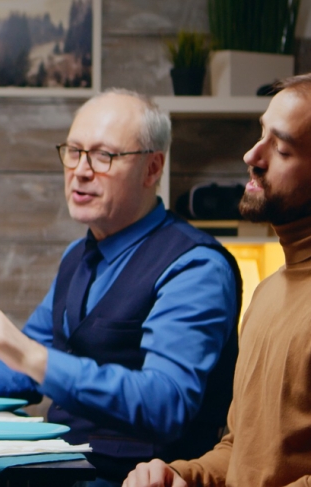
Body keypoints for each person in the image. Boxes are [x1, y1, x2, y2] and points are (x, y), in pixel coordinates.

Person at [0, 89, 241, 484]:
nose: (81, 169)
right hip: (59, 467)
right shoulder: (76, 256)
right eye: (74, 151)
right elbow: (27, 365)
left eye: (103, 156)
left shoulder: (195, 266)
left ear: (152, 169)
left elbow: (165, 403)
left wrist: (30, 355)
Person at [124, 74, 311, 487]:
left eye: (280, 148)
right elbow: (239, 451)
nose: (252, 155)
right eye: (261, 134)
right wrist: (178, 475)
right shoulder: (267, 292)